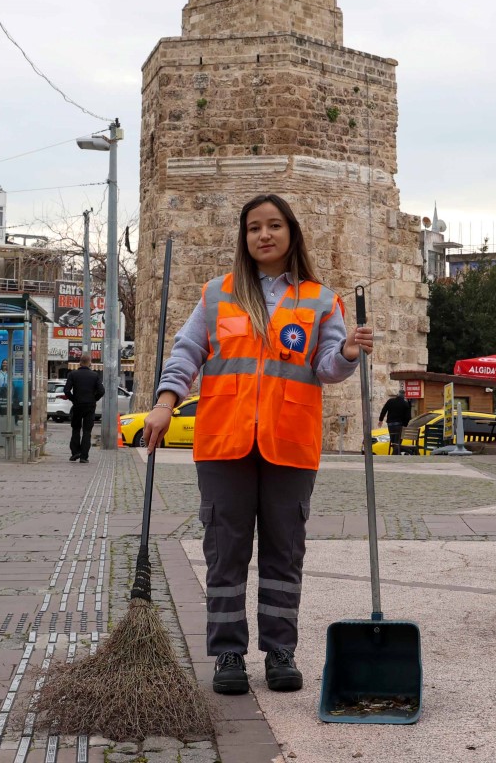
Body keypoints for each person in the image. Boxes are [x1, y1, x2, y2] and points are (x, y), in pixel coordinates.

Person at [145, 194, 373, 696]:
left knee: (283, 552)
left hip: (289, 444)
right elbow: (187, 353)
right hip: (224, 443)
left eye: (273, 226)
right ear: (243, 238)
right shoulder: (216, 294)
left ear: (291, 233)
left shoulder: (320, 299)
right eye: (253, 228)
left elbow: (327, 367)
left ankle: (279, 650)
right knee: (225, 551)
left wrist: (350, 352)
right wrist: (165, 402)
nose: (263, 235)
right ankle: (228, 651)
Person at [64, 357, 104, 463]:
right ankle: (84, 456)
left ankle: (75, 452)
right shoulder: (95, 375)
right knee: (87, 431)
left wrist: (74, 399)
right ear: (89, 363)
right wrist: (94, 399)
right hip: (90, 406)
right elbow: (101, 391)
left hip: (77, 405)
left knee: (76, 428)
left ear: (80, 363)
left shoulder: (72, 374)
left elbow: (66, 390)